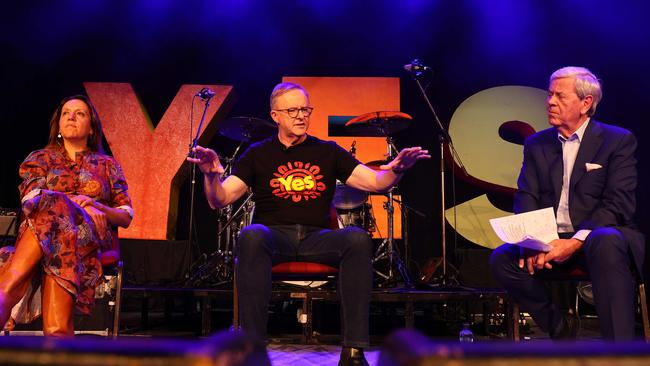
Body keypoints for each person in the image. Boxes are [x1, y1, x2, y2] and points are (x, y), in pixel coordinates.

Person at [189, 82, 429, 365]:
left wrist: (397, 169)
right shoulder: (257, 153)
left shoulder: (328, 151)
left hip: (318, 239)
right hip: (274, 237)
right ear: (275, 115)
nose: (301, 115)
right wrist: (210, 176)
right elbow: (220, 199)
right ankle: (252, 350)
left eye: (305, 109)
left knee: (356, 238)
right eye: (293, 110)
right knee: (251, 235)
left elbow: (376, 182)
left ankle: (353, 351)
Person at [490, 67, 645, 341]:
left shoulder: (617, 140)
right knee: (502, 258)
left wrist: (574, 242)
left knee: (606, 239)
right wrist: (532, 240)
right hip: (551, 239)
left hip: (597, 237)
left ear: (586, 103)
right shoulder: (537, 144)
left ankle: (619, 350)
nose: (550, 101)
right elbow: (527, 196)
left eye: (560, 96)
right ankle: (560, 327)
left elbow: (618, 204)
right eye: (550, 94)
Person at [0, 95, 133, 336]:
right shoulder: (40, 158)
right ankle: (57, 333)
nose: (71, 116)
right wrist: (72, 203)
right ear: (58, 125)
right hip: (43, 234)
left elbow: (125, 216)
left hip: (88, 239)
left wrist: (97, 206)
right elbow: (30, 199)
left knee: (58, 213)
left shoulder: (107, 165)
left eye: (80, 113)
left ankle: (8, 290)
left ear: (91, 128)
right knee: (55, 210)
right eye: (66, 113)